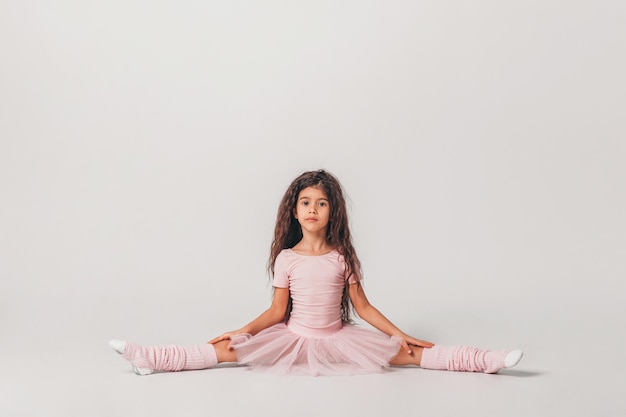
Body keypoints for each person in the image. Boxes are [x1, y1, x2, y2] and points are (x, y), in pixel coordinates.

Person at [109, 169, 523, 376]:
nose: (312, 209)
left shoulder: (342, 256)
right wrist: (243, 330)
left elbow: (362, 306)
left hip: (339, 338)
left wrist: (400, 333)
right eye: (305, 202)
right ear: (294, 211)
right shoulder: (287, 258)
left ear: (332, 212)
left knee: (411, 355)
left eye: (321, 203)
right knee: (228, 351)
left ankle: (485, 361)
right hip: (293, 337)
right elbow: (276, 312)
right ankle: (153, 358)